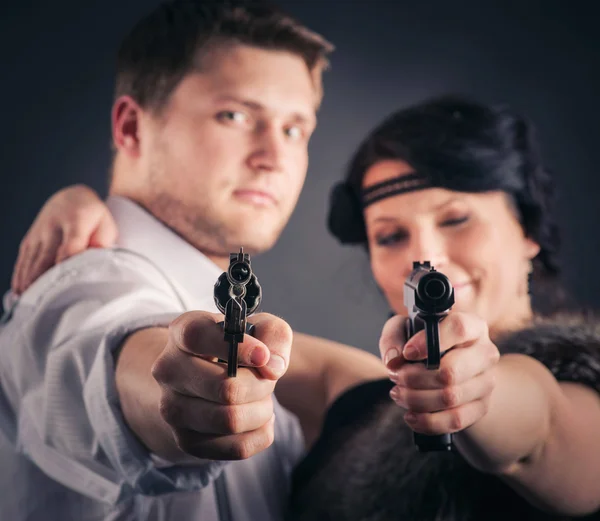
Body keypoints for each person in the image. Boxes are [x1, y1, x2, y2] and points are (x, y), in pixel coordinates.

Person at [21, 95, 600, 521]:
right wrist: (103, 214)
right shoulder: (361, 391)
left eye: (456, 219)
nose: (428, 256)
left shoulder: (572, 385)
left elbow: (543, 427)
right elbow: (188, 333)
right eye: (390, 236)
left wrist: (481, 396)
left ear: (528, 231)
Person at [0, 2, 388, 520]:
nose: (274, 156)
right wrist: (177, 394)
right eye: (235, 115)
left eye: (295, 129)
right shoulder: (76, 283)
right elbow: (107, 356)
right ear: (132, 127)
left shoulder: (221, 310)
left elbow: (332, 382)